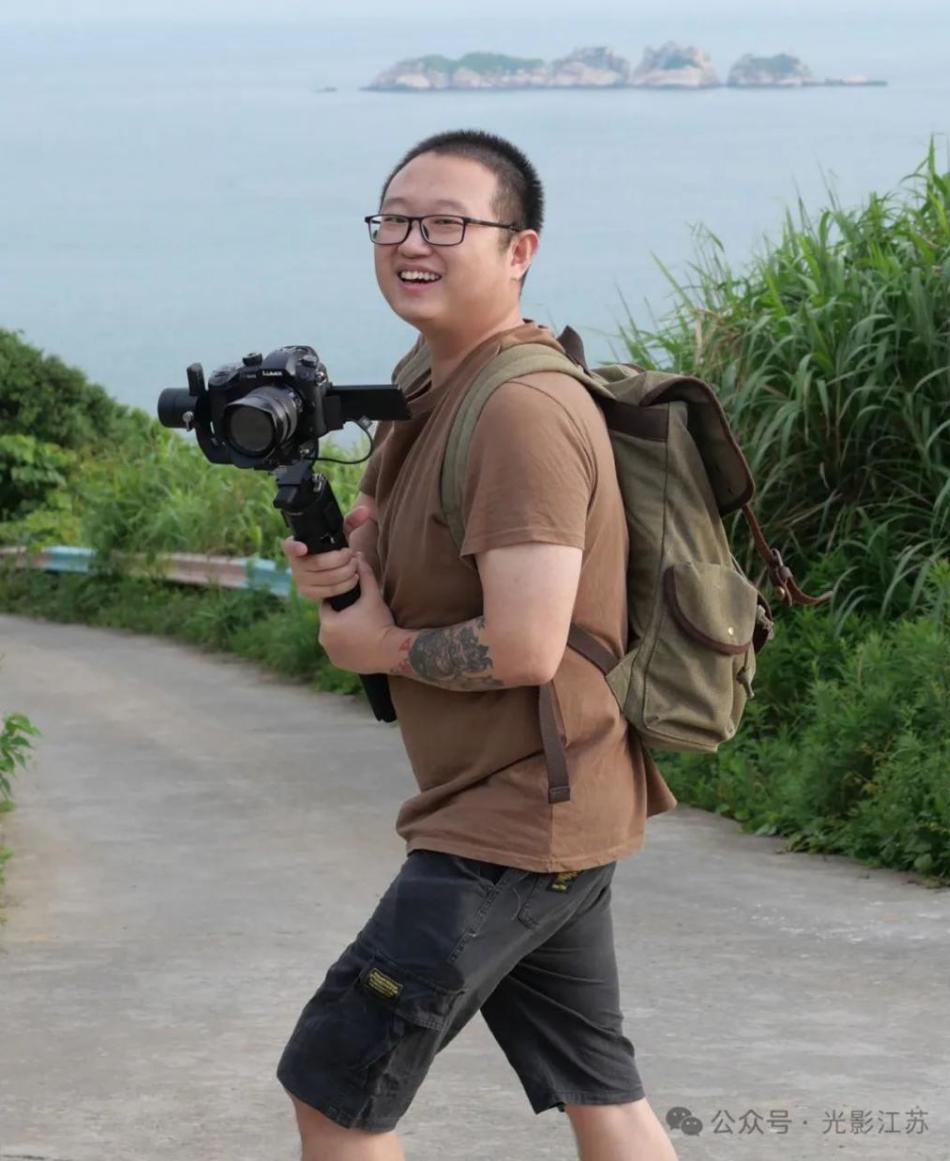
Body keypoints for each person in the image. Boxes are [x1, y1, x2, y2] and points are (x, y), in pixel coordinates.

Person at [276, 128, 680, 1161]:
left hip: (511, 823)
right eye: (397, 219)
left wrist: (383, 649)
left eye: (449, 222)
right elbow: (387, 530)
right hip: (554, 804)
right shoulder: (432, 378)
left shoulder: (521, 411)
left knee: (336, 1086)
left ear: (520, 249)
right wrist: (340, 567)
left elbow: (526, 645)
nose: (415, 241)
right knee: (604, 1092)